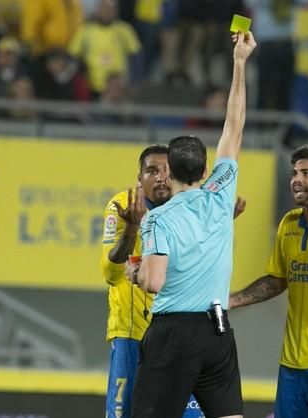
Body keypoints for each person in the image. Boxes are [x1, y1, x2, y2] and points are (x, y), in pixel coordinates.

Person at [129, 31, 256, 418]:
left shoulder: (157, 219)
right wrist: (239, 62)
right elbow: (234, 126)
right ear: (204, 169)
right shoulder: (220, 193)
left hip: (173, 333)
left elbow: (153, 281)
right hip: (217, 333)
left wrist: (134, 274)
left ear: (168, 173)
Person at [228, 145, 308, 418]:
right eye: (294, 172)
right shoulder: (288, 224)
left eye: (306, 173)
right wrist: (232, 300)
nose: (296, 179)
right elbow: (277, 280)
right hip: (291, 363)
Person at [101, 144, 202, 418]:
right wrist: (132, 228)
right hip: (132, 336)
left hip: (179, 336)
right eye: (152, 170)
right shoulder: (121, 205)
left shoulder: (191, 209)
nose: (160, 177)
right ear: (139, 179)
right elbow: (111, 274)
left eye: (167, 170)